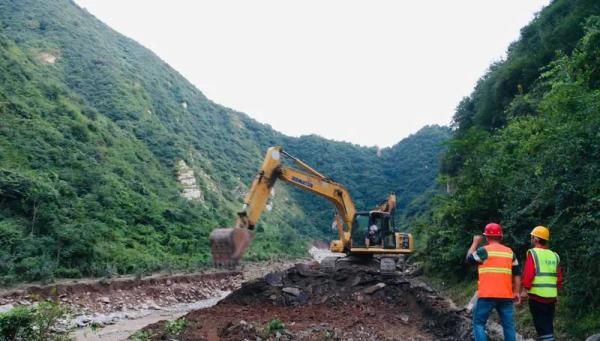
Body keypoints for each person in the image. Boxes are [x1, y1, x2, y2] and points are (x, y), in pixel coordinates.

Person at [466, 222, 521, 341]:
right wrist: (516, 292)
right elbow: (517, 274)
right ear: (501, 236)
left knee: (479, 324)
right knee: (509, 327)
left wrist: (475, 242)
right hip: (506, 296)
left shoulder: (484, 251)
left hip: (487, 295)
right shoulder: (509, 252)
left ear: (486, 237)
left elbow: (469, 259)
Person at [521, 226, 562, 341]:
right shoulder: (554, 255)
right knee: (548, 323)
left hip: (537, 296)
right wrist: (557, 293)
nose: (531, 238)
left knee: (541, 324)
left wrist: (524, 291)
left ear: (536, 239)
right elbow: (558, 278)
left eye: (532, 236)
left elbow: (529, 274)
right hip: (551, 297)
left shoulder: (533, 253)